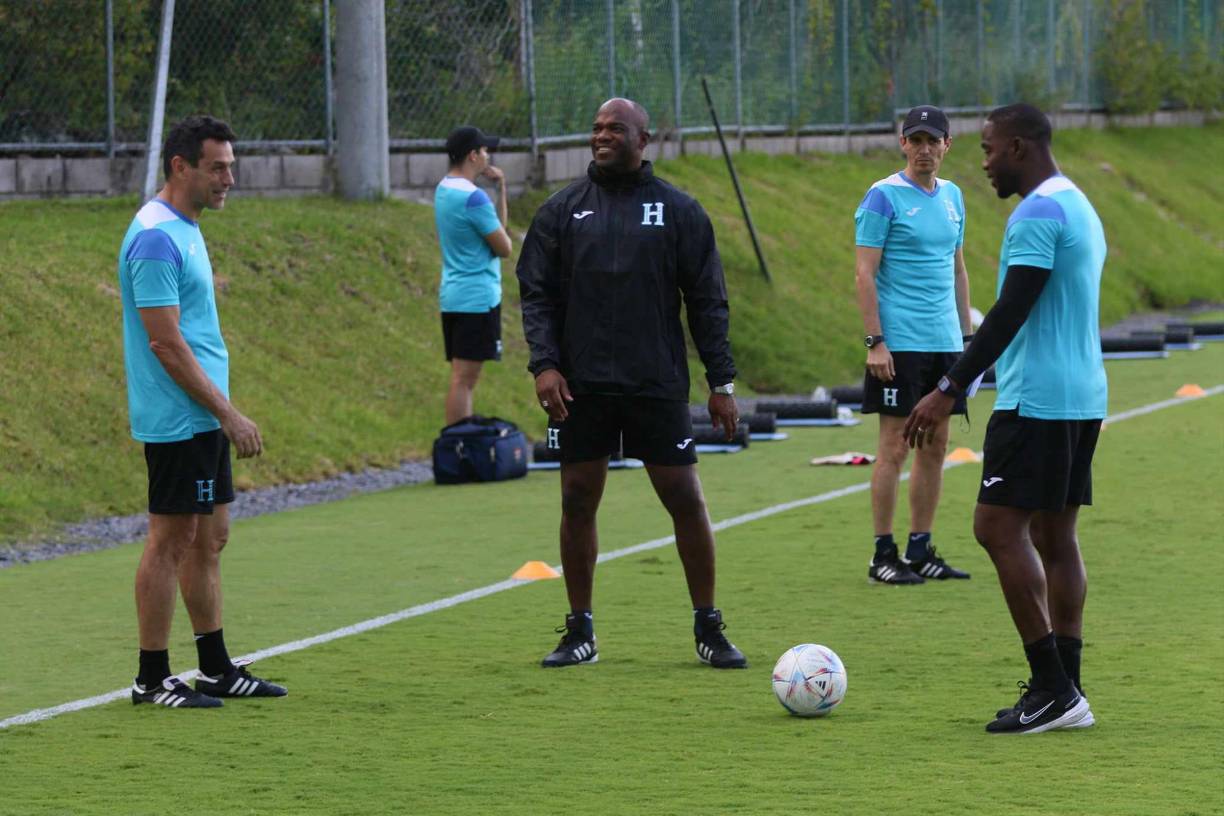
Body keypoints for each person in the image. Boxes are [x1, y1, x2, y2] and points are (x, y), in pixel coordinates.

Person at [516, 97, 747, 670]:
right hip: (581, 385)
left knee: (684, 499)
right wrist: (544, 364)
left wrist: (721, 381)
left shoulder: (679, 211)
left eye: (615, 128)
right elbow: (537, 294)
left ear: (644, 140)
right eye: (596, 128)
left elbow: (707, 302)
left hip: (655, 382)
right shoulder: (561, 211)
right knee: (576, 499)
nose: (602, 136)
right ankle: (580, 631)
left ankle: (708, 626)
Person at [905, 103, 1105, 734]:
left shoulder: (1036, 213)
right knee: (1053, 536)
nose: (983, 161)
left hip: (1037, 398)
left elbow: (1010, 310)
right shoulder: (1078, 203)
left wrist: (948, 386)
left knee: (995, 527)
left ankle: (1051, 686)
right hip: (1084, 394)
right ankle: (1066, 688)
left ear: (1019, 146)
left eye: (989, 149)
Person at [118, 115, 285, 708]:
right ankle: (151, 677)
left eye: (231, 166)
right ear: (180, 167)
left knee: (210, 537)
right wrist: (229, 413)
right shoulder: (157, 237)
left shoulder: (185, 225)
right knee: (171, 537)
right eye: (217, 167)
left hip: (203, 415)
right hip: (178, 415)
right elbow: (164, 342)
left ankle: (214, 667)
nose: (229, 178)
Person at [853, 104, 974, 585]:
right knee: (894, 447)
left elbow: (957, 268)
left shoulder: (954, 197)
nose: (924, 149)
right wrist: (876, 341)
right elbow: (865, 271)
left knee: (936, 445)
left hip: (944, 341)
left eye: (933, 140)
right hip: (900, 344)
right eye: (915, 140)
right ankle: (884, 553)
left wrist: (967, 341)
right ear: (902, 143)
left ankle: (920, 547)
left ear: (947, 145)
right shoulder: (883, 197)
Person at [435, 125, 512, 425]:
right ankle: (459, 445)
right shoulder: (474, 198)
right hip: (477, 299)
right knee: (464, 380)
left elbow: (495, 229)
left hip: (453, 295)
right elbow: (504, 246)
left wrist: (501, 188)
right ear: (473, 155)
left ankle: (459, 442)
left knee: (460, 378)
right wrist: (494, 193)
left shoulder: (444, 189)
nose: (488, 156)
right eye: (484, 150)